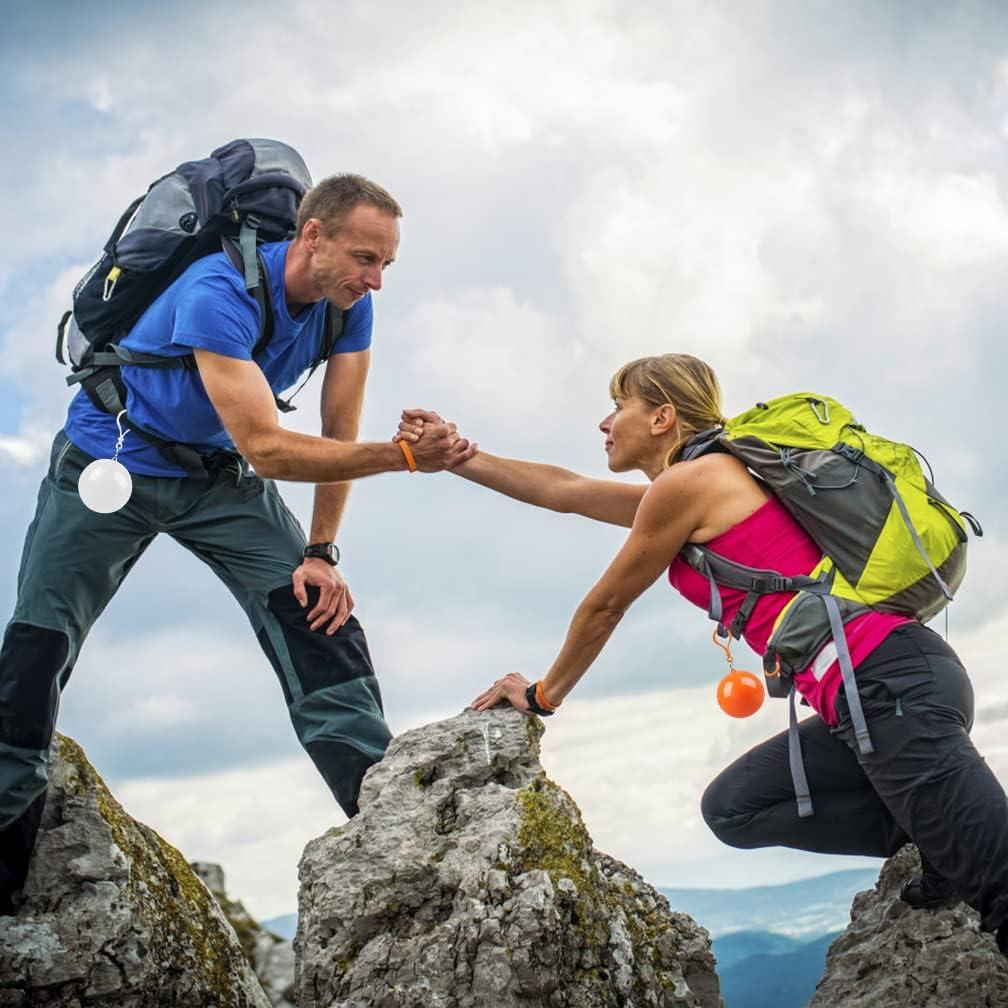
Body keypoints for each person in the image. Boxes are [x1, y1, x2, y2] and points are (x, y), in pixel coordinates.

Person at [397, 353, 1008, 956]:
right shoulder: (705, 484)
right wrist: (459, 457)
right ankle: (941, 834)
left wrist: (541, 696)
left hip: (888, 683)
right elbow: (566, 491)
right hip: (872, 694)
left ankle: (959, 841)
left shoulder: (690, 483)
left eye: (618, 406)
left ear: (663, 417)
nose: (604, 423)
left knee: (1002, 892)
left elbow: (605, 605)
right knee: (735, 808)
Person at [0, 173, 474, 914]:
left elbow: (337, 433)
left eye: (386, 264)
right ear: (310, 236)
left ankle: (389, 829)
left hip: (215, 480)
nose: (375, 280)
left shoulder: (348, 311)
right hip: (111, 460)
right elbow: (271, 450)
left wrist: (320, 553)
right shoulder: (214, 290)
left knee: (319, 617)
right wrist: (408, 457)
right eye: (363, 257)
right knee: (37, 649)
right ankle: (3, 871)